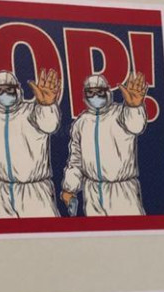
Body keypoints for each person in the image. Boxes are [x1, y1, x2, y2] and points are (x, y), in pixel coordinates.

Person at [0, 69, 61, 218]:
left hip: (35, 191)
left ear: (17, 90)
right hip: (3, 194)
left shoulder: (32, 112)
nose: (4, 94)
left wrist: (47, 106)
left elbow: (49, 124)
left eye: (9, 89)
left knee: (44, 231)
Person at [61, 72, 151, 217]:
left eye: (100, 92)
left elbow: (136, 126)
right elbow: (76, 159)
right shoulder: (81, 122)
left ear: (107, 92)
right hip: (92, 193)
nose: (95, 96)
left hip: (122, 191)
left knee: (131, 228)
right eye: (90, 92)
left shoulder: (121, 114)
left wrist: (134, 107)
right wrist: (69, 188)